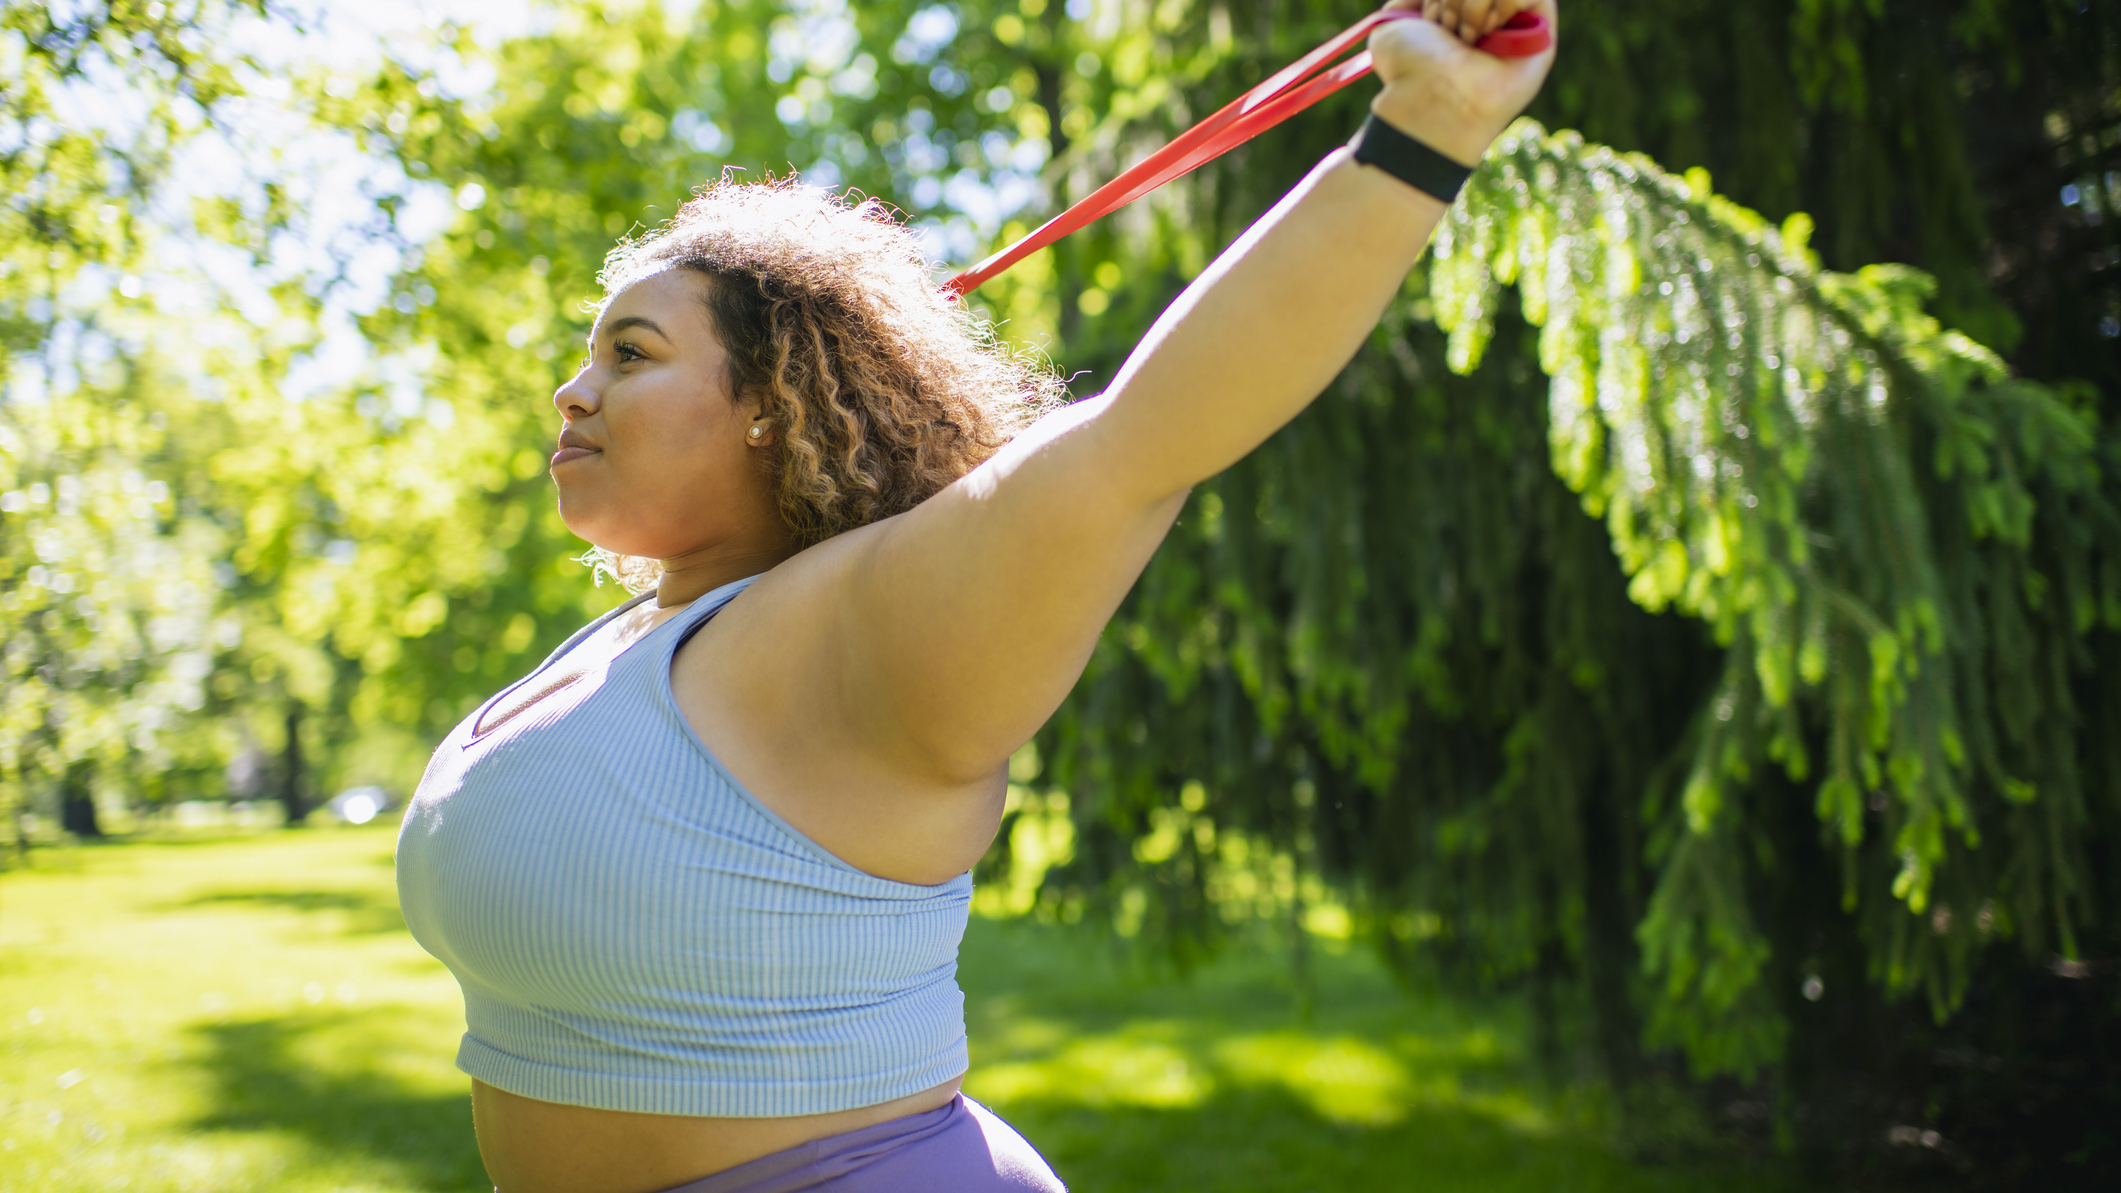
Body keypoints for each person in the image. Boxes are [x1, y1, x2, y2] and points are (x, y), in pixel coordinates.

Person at [394, 3, 1555, 1191]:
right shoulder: (631, 641)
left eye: (628, 354)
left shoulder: (863, 628)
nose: (570, 391)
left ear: (770, 404)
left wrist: (1428, 130)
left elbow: (1144, 440)